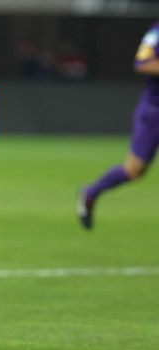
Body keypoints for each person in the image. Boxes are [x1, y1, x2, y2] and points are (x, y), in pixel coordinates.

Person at [78, 21, 159, 229]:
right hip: (154, 111)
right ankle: (91, 192)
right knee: (134, 170)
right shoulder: (156, 32)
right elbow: (142, 62)